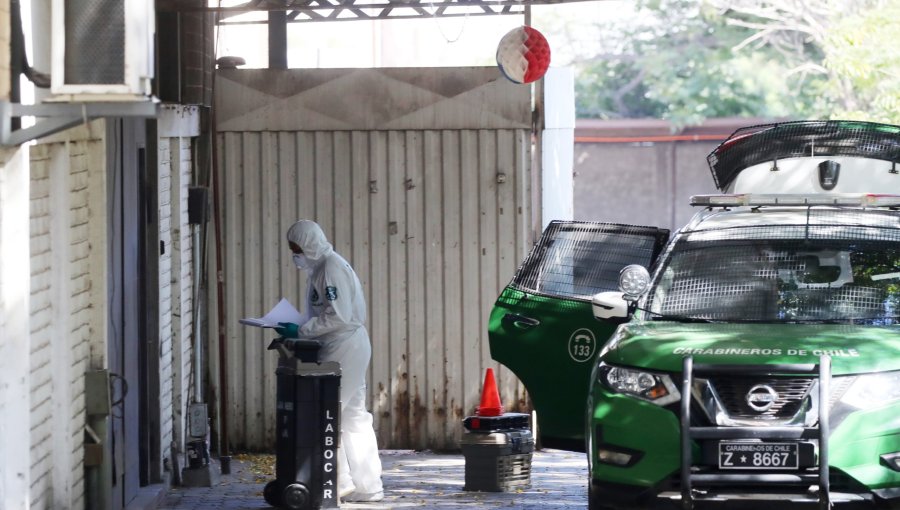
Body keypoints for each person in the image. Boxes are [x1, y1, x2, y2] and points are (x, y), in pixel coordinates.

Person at [275, 220, 385, 503]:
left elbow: (338, 316)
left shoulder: (330, 268)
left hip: (343, 346)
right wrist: (301, 327)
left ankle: (338, 482)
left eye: (297, 249)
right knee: (353, 417)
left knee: (328, 413)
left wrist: (300, 330)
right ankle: (369, 487)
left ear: (309, 245)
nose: (294, 255)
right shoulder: (321, 268)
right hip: (346, 345)